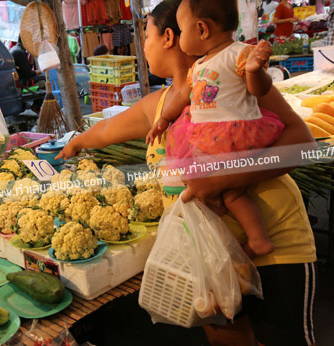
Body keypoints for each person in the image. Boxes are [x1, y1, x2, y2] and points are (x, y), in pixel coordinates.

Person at [57, 0, 317, 345]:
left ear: (168, 37)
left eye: (146, 35)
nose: (143, 47)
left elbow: (302, 142)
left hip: (275, 246)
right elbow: (105, 131)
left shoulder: (234, 76)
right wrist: (74, 144)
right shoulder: (162, 104)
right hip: (213, 256)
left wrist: (221, 181)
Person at [146, 0, 281, 256]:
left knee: (230, 190)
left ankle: (257, 238)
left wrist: (254, 71)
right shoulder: (197, 66)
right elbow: (185, 96)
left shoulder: (239, 53)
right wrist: (164, 119)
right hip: (210, 137)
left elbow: (259, 90)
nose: (182, 36)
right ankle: (230, 221)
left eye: (183, 31)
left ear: (201, 29)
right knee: (215, 188)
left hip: (234, 135)